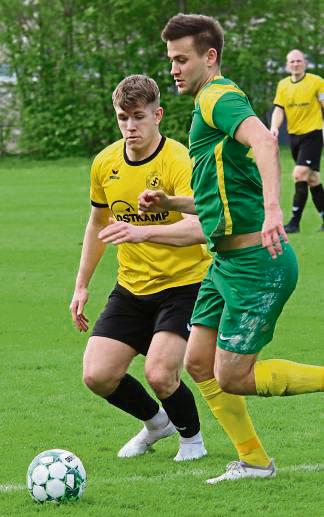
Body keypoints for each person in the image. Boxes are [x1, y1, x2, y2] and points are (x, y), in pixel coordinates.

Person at [138, 13, 324, 483]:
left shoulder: (217, 96)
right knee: (198, 363)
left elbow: (264, 140)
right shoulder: (208, 101)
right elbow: (222, 194)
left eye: (182, 59)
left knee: (234, 375)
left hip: (256, 264)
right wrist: (171, 201)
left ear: (210, 56)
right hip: (226, 262)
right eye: (171, 61)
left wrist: (276, 208)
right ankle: (255, 462)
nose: (174, 69)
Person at [70, 74, 274, 471]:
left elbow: (203, 225)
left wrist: (143, 231)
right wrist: (81, 286)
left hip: (186, 285)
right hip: (131, 288)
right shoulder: (105, 163)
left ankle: (191, 438)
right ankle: (156, 424)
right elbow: (97, 224)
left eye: (138, 117)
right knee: (97, 374)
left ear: (157, 115)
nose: (130, 126)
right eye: (122, 118)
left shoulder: (180, 160)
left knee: (161, 372)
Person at [270, 49, 324, 233]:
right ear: (287, 65)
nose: (295, 64)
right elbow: (279, 109)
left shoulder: (317, 82)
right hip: (294, 137)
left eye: (299, 61)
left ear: (305, 63)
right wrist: (274, 127)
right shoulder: (283, 85)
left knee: (299, 174)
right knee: (313, 179)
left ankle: (294, 222)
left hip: (313, 135)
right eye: (292, 61)